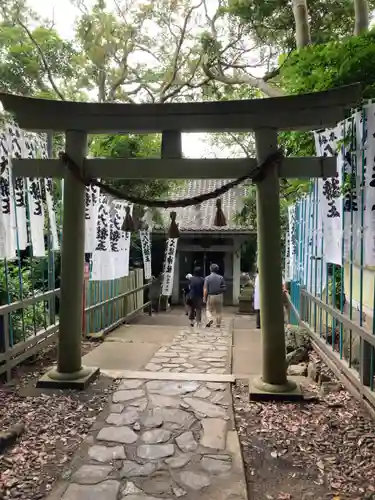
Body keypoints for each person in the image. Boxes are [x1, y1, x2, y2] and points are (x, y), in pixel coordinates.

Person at [203, 263, 226, 328]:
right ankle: (218, 324)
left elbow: (205, 289)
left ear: (210, 269)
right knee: (219, 311)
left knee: (208, 310)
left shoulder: (207, 278)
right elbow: (224, 288)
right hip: (219, 295)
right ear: (217, 270)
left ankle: (210, 319)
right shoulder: (221, 278)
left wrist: (204, 297)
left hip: (211, 296)